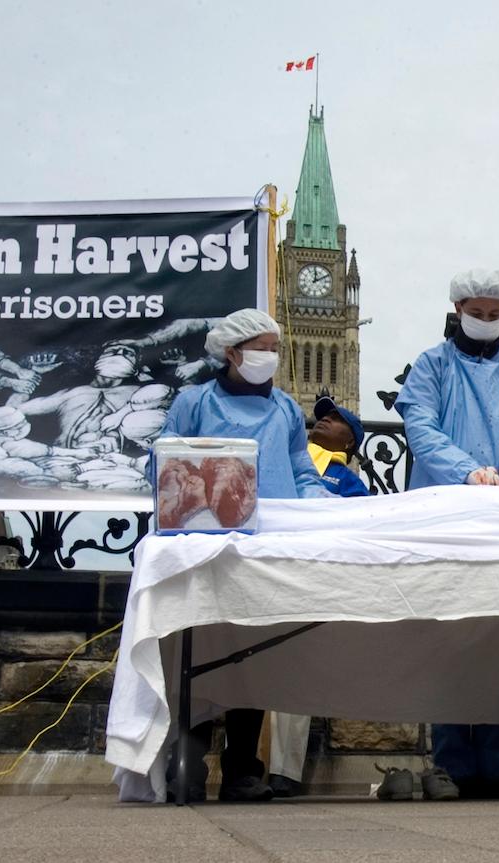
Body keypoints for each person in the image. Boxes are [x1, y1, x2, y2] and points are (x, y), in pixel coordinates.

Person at [394, 268, 499, 800]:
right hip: (448, 511)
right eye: (478, 314)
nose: (486, 322)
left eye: (495, 316)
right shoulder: (432, 366)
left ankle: (495, 765)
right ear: (459, 309)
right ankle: (451, 764)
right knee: (449, 635)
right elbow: (421, 427)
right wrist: (466, 469)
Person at [157, 308, 329, 803]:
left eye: (275, 348)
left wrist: (318, 503)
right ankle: (186, 765)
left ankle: (241, 771)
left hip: (265, 545)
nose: (269, 357)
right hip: (204, 543)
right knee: (201, 649)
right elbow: (164, 460)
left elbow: (301, 471)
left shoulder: (285, 411)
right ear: (231, 352)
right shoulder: (194, 402)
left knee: (253, 655)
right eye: (261, 347)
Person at [267, 395, 369, 798]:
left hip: (307, 580)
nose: (324, 419)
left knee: (292, 677)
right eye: (323, 415)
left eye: (337, 419)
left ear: (350, 443)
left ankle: (282, 772)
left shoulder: (347, 482)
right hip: (269, 568)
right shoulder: (282, 456)